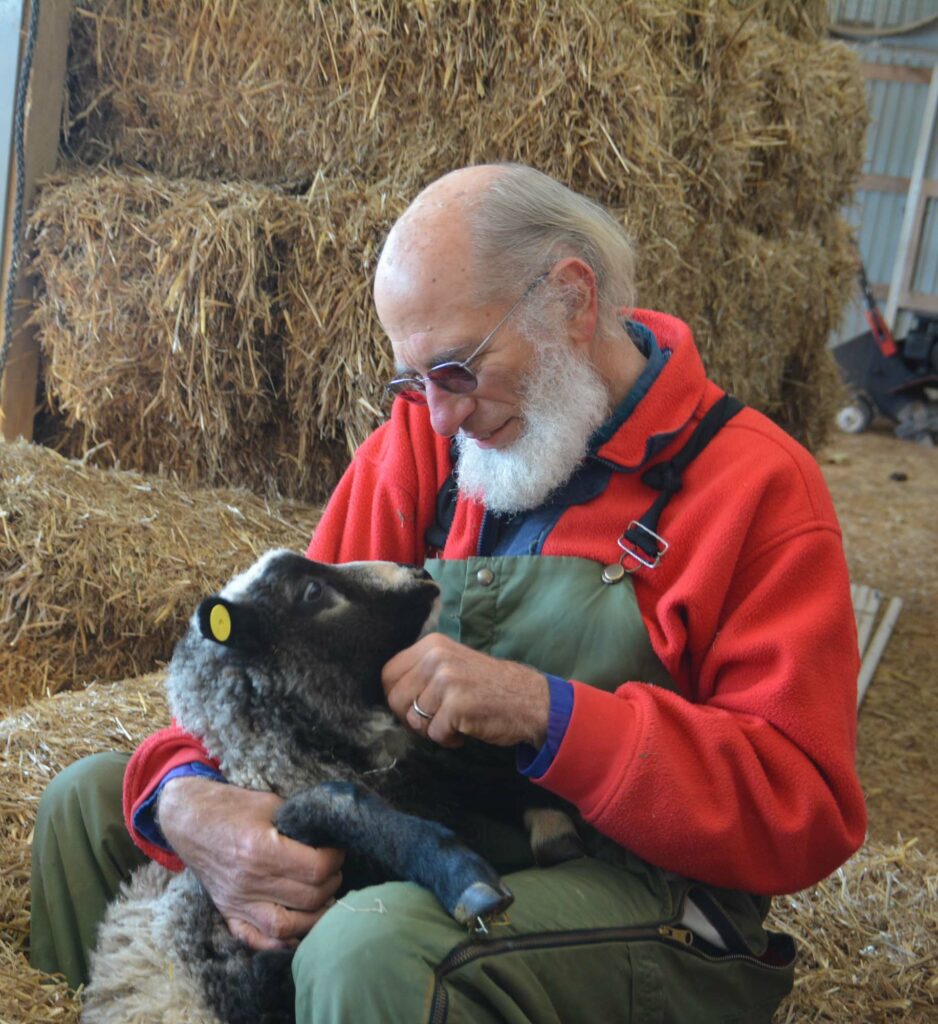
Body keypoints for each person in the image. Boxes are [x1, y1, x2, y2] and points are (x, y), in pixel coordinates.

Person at [31, 163, 866, 1022]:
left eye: (459, 368)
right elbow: (266, 668)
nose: (436, 417)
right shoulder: (426, 449)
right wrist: (189, 797)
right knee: (91, 806)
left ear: (570, 302)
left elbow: (803, 811)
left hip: (643, 898)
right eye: (412, 381)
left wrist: (551, 713)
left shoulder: (755, 488)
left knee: (373, 944)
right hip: (422, 817)